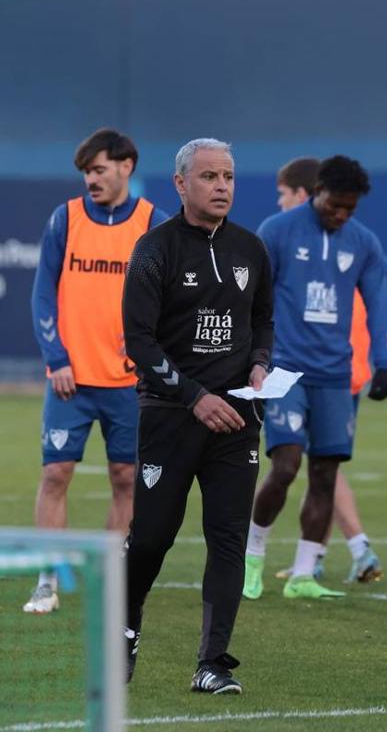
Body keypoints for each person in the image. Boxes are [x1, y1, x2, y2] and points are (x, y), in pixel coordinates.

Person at [122, 138, 273, 694]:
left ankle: (212, 664)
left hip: (237, 421)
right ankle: (124, 630)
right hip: (170, 416)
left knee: (229, 538)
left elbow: (263, 320)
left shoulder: (252, 250)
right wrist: (193, 397)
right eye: (209, 177)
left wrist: (259, 365)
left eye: (228, 176)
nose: (222, 187)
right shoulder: (155, 250)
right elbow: (139, 340)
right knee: (152, 540)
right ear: (181, 184)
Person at [26, 128, 168, 615]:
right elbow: (43, 293)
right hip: (70, 382)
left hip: (130, 384)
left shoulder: (153, 224)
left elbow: (171, 299)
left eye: (100, 170)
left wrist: (150, 346)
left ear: (127, 167)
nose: (91, 179)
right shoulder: (64, 220)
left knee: (126, 479)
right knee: (55, 474)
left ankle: (112, 578)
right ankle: (46, 579)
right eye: (87, 172)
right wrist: (56, 357)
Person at [242, 155, 387, 601]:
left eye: (350, 208)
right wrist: (248, 356)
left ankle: (303, 574)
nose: (341, 214)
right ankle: (251, 558)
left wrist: (384, 362)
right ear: (317, 192)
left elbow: (381, 301)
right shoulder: (277, 231)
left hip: (335, 375)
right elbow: (248, 296)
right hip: (286, 371)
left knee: (325, 475)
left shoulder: (363, 243)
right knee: (286, 465)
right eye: (335, 205)